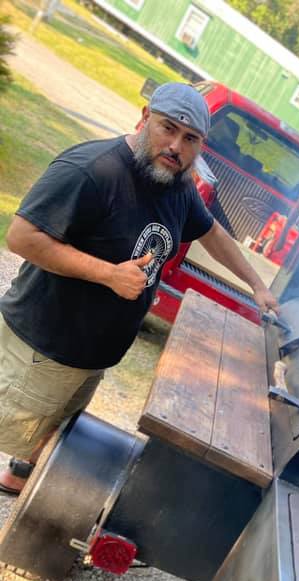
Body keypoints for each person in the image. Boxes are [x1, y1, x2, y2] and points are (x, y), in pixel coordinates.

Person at [0, 82, 280, 494]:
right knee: (11, 424)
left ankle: (20, 475)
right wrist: (108, 274)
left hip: (90, 354)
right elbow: (22, 237)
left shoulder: (176, 184)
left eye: (190, 139)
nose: (176, 147)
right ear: (146, 116)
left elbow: (212, 232)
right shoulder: (93, 170)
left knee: (50, 434)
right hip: (44, 345)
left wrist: (257, 284)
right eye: (168, 128)